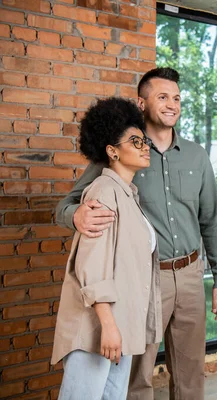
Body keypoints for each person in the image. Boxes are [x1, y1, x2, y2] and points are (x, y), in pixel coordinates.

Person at [55, 67, 217, 400]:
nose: (172, 105)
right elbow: (70, 203)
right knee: (137, 370)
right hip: (146, 279)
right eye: (162, 97)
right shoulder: (122, 150)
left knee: (191, 368)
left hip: (191, 274)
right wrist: (75, 215)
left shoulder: (197, 156)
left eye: (177, 98)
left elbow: (212, 219)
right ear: (142, 102)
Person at [51, 97, 161, 400]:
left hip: (119, 323)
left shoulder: (128, 194)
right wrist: (109, 326)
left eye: (144, 140)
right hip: (100, 326)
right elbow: (92, 266)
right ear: (112, 151)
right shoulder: (103, 190)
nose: (143, 147)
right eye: (134, 141)